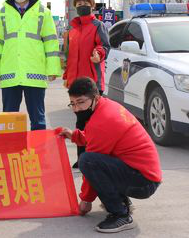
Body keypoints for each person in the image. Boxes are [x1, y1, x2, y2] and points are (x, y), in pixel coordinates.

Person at [56, 78, 162, 233]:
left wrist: (85, 200)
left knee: (87, 161)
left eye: (80, 102)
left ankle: (121, 214)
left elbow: (93, 159)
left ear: (96, 98)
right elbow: (97, 137)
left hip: (143, 181)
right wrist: (74, 136)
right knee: (94, 160)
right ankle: (123, 202)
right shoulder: (105, 107)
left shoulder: (103, 120)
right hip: (142, 174)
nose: (76, 109)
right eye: (72, 103)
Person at [0, 0, 61, 130]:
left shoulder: (43, 13)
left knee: (38, 120)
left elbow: (51, 43)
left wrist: (53, 69)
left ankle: (39, 153)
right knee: (9, 120)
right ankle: (10, 152)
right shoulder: (2, 14)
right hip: (10, 73)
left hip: (35, 73)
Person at [64, 0, 111, 167]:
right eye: (79, 5)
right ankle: (82, 158)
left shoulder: (97, 26)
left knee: (94, 122)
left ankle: (93, 157)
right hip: (76, 82)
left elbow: (104, 45)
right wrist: (66, 77)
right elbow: (70, 55)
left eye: (85, 4)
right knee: (81, 122)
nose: (82, 7)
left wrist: (98, 54)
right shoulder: (73, 29)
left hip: (92, 83)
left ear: (92, 6)